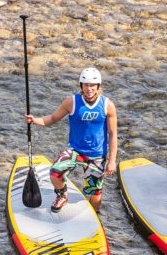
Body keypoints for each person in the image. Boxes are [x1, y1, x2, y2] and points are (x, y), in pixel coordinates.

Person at [24, 67, 118, 213]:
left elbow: (112, 134)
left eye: (92, 85)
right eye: (86, 85)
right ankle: (62, 195)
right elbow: (53, 118)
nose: (89, 89)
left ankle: (95, 217)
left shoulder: (107, 105)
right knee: (55, 172)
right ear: (81, 86)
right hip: (75, 151)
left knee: (94, 192)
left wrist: (112, 160)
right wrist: (34, 120)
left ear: (98, 86)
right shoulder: (71, 102)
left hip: (97, 155)